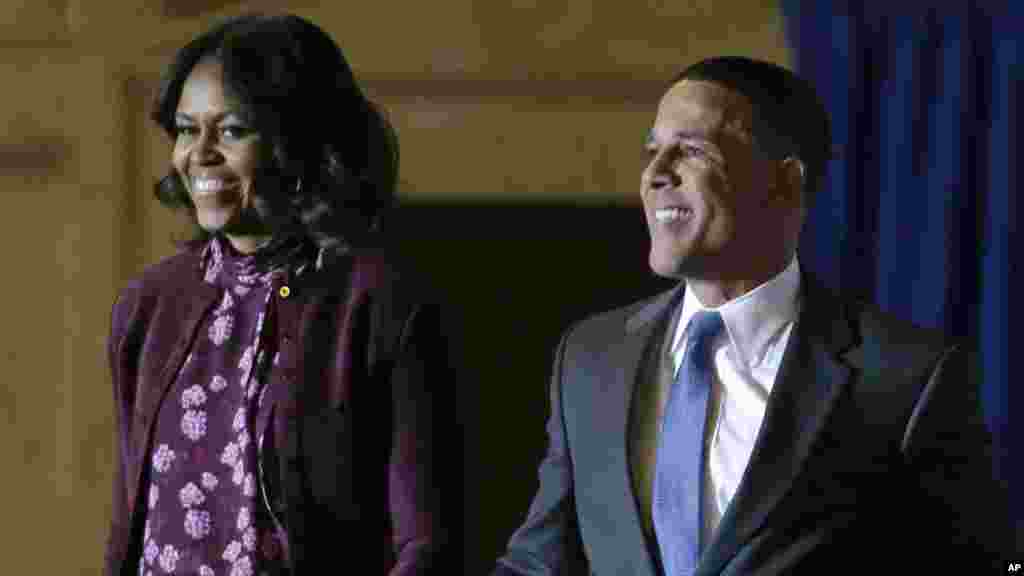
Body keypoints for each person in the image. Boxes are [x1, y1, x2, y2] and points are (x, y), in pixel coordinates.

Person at [492, 56, 1013, 575]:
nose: (655, 173)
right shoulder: (590, 356)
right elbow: (538, 564)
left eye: (692, 150)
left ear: (784, 183)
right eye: (652, 151)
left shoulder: (907, 377)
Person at [104, 13, 458, 575]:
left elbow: (426, 543)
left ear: (300, 141)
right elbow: (132, 521)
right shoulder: (148, 305)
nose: (199, 153)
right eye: (187, 128)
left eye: (232, 129)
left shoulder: (383, 304)